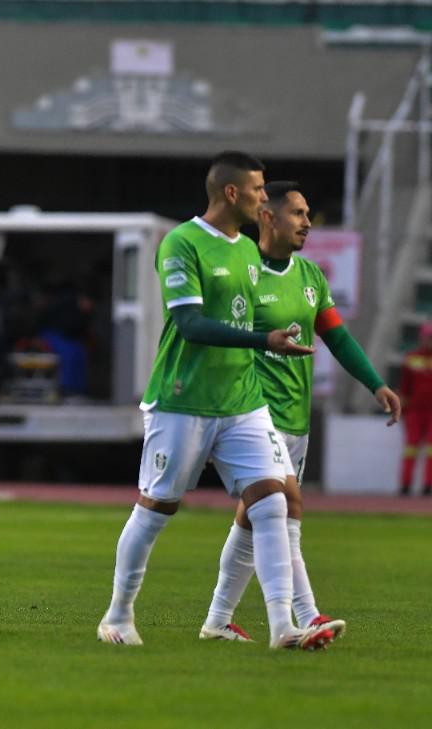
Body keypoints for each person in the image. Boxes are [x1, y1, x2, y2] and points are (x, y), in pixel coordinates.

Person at [96, 151, 344, 650]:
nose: (263, 198)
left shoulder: (248, 250)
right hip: (183, 400)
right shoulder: (181, 243)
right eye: (257, 189)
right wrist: (263, 341)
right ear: (232, 193)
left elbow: (245, 320)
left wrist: (274, 337)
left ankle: (283, 627)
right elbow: (190, 324)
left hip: (242, 401)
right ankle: (118, 615)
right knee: (157, 508)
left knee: (271, 502)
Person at [199, 180, 400, 642]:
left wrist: (375, 383)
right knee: (287, 505)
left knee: (255, 519)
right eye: (298, 213)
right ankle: (307, 615)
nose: (307, 222)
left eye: (308, 213)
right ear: (267, 217)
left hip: (295, 418)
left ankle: (217, 619)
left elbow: (338, 338)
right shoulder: (241, 271)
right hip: (251, 414)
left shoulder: (310, 276)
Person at [398, 321, 432, 495]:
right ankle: (405, 485)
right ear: (422, 337)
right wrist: (403, 411)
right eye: (428, 337)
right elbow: (405, 387)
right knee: (410, 449)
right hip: (415, 412)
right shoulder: (411, 358)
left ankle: (428, 486)